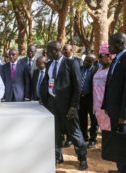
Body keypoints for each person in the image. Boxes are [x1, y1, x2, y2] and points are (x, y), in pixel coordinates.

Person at [40, 41, 88, 170]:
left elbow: (78, 86)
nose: (47, 53)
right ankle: (57, 156)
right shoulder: (49, 64)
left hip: (68, 107)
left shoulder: (71, 63)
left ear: (57, 50)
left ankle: (82, 158)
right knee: (55, 133)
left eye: (49, 50)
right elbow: (46, 82)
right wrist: (44, 100)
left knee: (75, 133)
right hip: (52, 104)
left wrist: (74, 106)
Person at [102, 32, 126, 173]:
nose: (108, 47)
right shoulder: (117, 58)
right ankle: (121, 169)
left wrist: (124, 115)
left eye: (111, 44)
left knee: (124, 144)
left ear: (120, 44)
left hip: (122, 114)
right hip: (114, 110)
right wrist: (106, 104)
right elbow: (111, 84)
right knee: (119, 143)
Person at [78, 53, 98, 149]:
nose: (85, 62)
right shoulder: (80, 69)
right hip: (81, 98)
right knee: (82, 119)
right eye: (85, 60)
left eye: (88, 61)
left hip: (91, 98)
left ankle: (93, 139)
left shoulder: (96, 71)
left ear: (93, 62)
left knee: (94, 120)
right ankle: (84, 138)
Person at [93, 43, 112, 131]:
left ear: (110, 56)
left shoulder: (113, 70)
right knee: (104, 130)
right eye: (99, 55)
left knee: (109, 130)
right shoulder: (100, 69)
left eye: (101, 55)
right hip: (97, 106)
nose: (99, 58)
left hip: (107, 106)